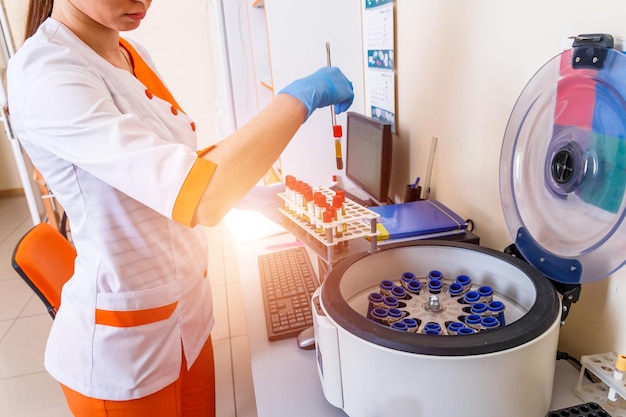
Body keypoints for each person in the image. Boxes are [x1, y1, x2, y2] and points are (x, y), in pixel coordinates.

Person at [7, 0, 354, 416]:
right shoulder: (47, 74)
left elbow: (167, 164)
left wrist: (241, 192)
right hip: (125, 358)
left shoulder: (129, 53)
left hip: (186, 320)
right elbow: (201, 197)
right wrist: (299, 99)